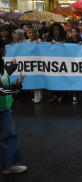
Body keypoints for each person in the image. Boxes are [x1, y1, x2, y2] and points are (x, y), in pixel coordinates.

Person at [0, 40, 27, 174]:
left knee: (8, 134)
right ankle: (8, 164)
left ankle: (8, 163)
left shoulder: (1, 64)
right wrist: (15, 87)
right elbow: (1, 88)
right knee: (8, 134)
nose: (6, 48)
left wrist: (13, 67)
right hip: (1, 109)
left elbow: (3, 75)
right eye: (3, 46)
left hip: (4, 107)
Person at [47, 23, 67, 103]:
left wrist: (64, 44)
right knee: (53, 78)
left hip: (62, 62)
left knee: (61, 78)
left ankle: (62, 95)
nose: (56, 31)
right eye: (54, 29)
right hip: (52, 62)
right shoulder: (50, 38)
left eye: (57, 29)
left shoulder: (63, 38)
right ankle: (54, 94)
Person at [26, 28, 42, 103]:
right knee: (32, 79)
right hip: (29, 63)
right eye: (29, 33)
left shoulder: (39, 41)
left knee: (36, 79)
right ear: (27, 34)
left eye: (33, 33)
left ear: (35, 34)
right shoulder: (26, 42)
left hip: (37, 63)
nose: (31, 34)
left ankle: (38, 97)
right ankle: (35, 96)